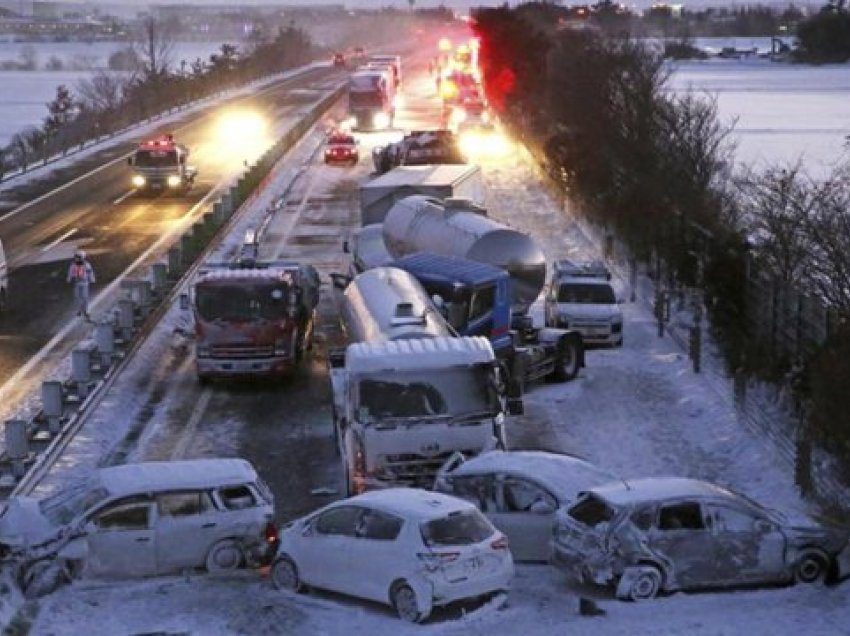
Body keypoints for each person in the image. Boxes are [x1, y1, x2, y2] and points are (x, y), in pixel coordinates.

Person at [67, 250, 95, 320]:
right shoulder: (73, 265)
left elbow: (90, 272)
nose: (76, 258)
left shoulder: (86, 264)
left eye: (78, 257)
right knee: (77, 297)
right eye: (76, 257)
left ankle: (86, 310)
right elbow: (70, 272)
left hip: (84, 283)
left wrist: (92, 279)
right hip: (77, 283)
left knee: (85, 297)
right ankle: (80, 309)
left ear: (82, 257)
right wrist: (69, 278)